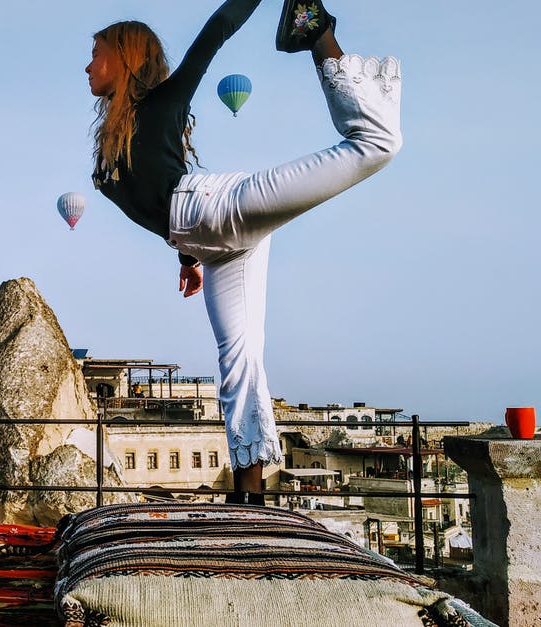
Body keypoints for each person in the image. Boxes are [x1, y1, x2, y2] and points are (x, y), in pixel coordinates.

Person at [85, 0, 401, 504]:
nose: (87, 65)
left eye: (96, 53)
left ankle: (315, 29)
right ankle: (248, 495)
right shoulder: (112, 144)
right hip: (209, 242)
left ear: (124, 58)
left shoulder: (164, 102)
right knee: (240, 360)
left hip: (219, 208)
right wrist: (186, 256)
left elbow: (215, 32)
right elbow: (151, 199)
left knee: (377, 143)